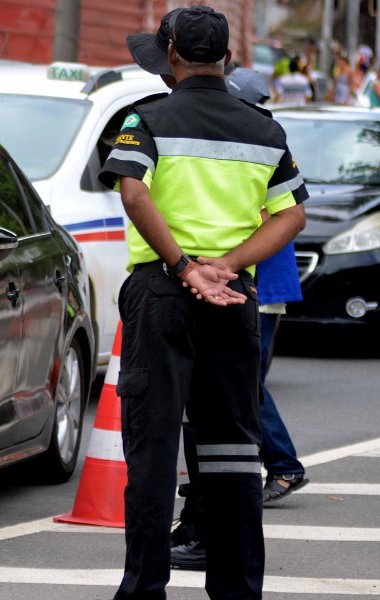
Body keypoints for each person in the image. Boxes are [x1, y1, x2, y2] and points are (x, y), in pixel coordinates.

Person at [99, 6, 307, 599]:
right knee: (234, 452)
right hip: (231, 295)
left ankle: (144, 589)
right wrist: (230, 266)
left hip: (164, 292)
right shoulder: (264, 129)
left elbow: (133, 188)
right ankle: (239, 588)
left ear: (171, 56)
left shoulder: (147, 118)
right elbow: (293, 212)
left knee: (154, 448)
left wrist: (183, 265)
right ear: (227, 59)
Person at [169, 65, 311, 572]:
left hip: (256, 288)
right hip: (245, 285)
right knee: (240, 391)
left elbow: (274, 218)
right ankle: (244, 481)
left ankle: (283, 467)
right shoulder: (253, 136)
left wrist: (215, 263)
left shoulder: (256, 141)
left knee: (245, 392)